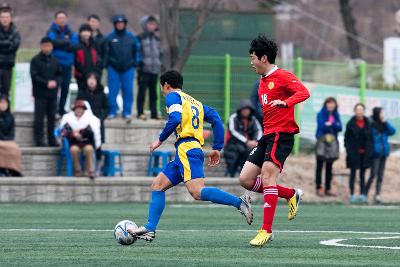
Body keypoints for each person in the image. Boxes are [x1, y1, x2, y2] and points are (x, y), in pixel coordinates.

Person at [128, 70, 253, 242]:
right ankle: (150, 228)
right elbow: (216, 118)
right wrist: (217, 148)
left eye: (162, 88)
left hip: (187, 149)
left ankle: (239, 202)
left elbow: (175, 119)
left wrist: (159, 140)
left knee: (196, 192)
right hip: (187, 151)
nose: (163, 92)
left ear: (166, 85)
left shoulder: (172, 96)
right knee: (157, 185)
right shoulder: (195, 103)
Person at [238, 35, 310, 247]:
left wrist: (286, 103)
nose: (251, 62)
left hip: (282, 134)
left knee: (268, 178)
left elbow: (303, 92)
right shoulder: (261, 83)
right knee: (246, 179)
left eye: (253, 58)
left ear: (263, 57)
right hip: (267, 135)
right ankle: (291, 194)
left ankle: (266, 230)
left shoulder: (283, 76)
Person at [105, 14, 141, 122]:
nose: (120, 25)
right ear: (115, 24)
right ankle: (112, 111)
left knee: (128, 91)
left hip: (128, 68)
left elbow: (137, 51)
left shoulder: (131, 37)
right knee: (112, 91)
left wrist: (135, 62)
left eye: (122, 23)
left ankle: (127, 112)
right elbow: (105, 52)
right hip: (113, 68)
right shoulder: (109, 37)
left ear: (125, 24)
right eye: (117, 23)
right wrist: (107, 64)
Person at [30, 37, 63, 147]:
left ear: (52, 47)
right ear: (41, 46)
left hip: (52, 95)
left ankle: (51, 139)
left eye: (49, 46)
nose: (47, 48)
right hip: (40, 94)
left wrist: (56, 82)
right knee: (39, 119)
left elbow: (60, 75)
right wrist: (46, 83)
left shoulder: (56, 60)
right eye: (45, 46)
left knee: (52, 118)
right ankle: (39, 140)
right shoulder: (35, 60)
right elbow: (34, 76)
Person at [47, 10, 78, 116]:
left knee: (65, 88)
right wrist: (66, 42)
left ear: (66, 19)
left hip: (67, 65)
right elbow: (52, 42)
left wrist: (60, 43)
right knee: (55, 88)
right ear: (56, 20)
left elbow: (74, 45)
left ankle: (61, 109)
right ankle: (53, 109)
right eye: (59, 18)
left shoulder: (71, 32)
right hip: (55, 65)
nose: (62, 20)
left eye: (63, 18)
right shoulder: (51, 31)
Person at [59, 99, 101, 179]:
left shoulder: (89, 118)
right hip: (74, 142)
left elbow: (91, 131)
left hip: (86, 141)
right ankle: (78, 171)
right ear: (74, 109)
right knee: (73, 150)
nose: (79, 110)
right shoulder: (68, 118)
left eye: (81, 109)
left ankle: (91, 172)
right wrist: (73, 134)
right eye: (77, 109)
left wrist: (81, 133)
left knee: (89, 149)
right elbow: (64, 131)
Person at [224, 99, 262, 177]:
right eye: (244, 109)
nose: (246, 111)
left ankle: (246, 173)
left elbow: (259, 131)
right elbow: (233, 131)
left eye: (248, 109)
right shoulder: (233, 118)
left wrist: (255, 141)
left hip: (250, 145)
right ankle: (231, 171)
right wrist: (246, 141)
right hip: (233, 144)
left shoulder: (253, 120)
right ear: (240, 110)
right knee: (236, 151)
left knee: (253, 152)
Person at [77, 72, 109, 164]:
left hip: (98, 123)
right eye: (89, 79)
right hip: (84, 123)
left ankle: (98, 165)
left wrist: (101, 118)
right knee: (85, 143)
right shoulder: (82, 93)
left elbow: (107, 107)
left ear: (97, 81)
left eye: (94, 79)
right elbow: (78, 106)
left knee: (98, 144)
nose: (91, 81)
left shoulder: (102, 94)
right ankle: (85, 165)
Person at [366, 107, 396, 203]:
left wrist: (385, 122)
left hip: (384, 153)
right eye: (381, 113)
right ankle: (365, 193)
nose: (382, 115)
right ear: (377, 113)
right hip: (375, 153)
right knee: (373, 174)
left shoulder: (384, 125)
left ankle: (377, 194)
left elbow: (393, 131)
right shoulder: (371, 124)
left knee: (380, 175)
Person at [344, 103, 373, 203]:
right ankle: (352, 194)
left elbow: (370, 139)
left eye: (361, 109)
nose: (359, 111)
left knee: (362, 175)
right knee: (352, 174)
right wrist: (349, 151)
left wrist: (369, 150)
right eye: (357, 109)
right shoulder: (350, 123)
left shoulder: (369, 123)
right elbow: (346, 139)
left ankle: (362, 194)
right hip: (353, 154)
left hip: (364, 154)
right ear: (354, 111)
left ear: (364, 111)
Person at [315, 97, 342, 197]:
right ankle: (319, 187)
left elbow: (340, 127)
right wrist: (331, 125)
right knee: (319, 165)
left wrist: (331, 123)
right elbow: (322, 126)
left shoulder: (336, 115)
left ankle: (328, 188)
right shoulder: (321, 114)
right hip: (321, 142)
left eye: (332, 103)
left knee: (329, 166)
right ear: (325, 104)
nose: (330, 105)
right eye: (329, 103)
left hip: (332, 144)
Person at [137, 15, 162, 120]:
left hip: (154, 70)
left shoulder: (157, 39)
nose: (152, 26)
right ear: (145, 25)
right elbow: (136, 53)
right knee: (142, 93)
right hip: (143, 70)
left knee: (154, 94)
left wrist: (159, 63)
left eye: (153, 24)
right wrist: (139, 64)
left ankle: (154, 113)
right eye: (150, 23)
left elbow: (161, 53)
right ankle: (140, 112)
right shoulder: (140, 38)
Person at [0, 4, 20, 97]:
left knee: (6, 93)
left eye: (7, 17)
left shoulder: (15, 32)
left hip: (8, 66)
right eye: (2, 17)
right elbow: (10, 45)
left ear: (10, 18)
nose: (5, 19)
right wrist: (8, 43)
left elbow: (14, 46)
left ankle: (5, 111)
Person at [74, 24, 101, 91]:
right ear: (80, 33)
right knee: (82, 95)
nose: (86, 33)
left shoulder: (95, 45)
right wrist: (86, 74)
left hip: (95, 76)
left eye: (88, 31)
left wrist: (95, 73)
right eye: (84, 31)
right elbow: (77, 63)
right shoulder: (77, 46)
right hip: (81, 76)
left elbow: (98, 60)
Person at [0, 95, 22, 176]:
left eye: (5, 103)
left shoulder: (11, 117)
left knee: (15, 148)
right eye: (1, 103)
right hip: (1, 140)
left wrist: (8, 139)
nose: (3, 105)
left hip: (8, 140)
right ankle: (2, 170)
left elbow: (12, 131)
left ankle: (13, 170)